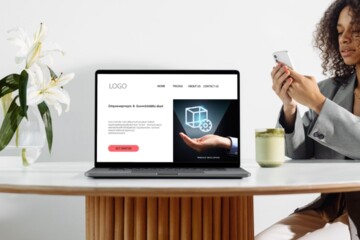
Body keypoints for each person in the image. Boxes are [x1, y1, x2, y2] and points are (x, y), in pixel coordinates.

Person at [256, 0, 360, 239]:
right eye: (339, 31)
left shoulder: (320, 96)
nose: (344, 39)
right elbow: (298, 151)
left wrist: (317, 102)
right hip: (329, 207)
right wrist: (290, 106)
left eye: (355, 30)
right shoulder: (329, 89)